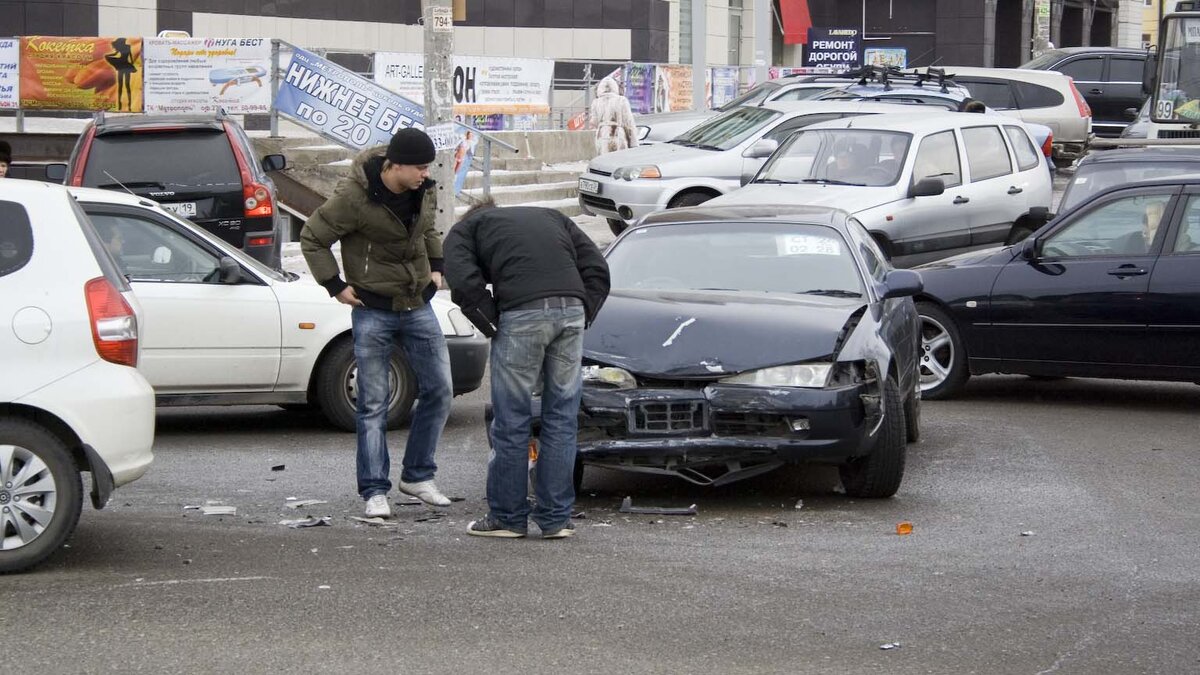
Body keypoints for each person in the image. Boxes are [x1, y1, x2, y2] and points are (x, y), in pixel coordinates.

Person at [300, 128, 454, 518]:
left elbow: (429, 229)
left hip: (417, 303)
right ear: (395, 165)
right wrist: (334, 285)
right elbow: (312, 237)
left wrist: (437, 268)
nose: (425, 173)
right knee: (372, 403)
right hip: (372, 309)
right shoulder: (353, 197)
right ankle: (374, 490)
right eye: (419, 167)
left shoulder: (424, 189)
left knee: (439, 390)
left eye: (427, 167)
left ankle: (418, 476)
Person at [444, 199, 610, 539]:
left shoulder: (466, 229)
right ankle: (555, 519)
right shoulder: (552, 217)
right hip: (571, 310)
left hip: (521, 313)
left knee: (512, 418)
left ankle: (507, 518)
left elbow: (461, 281)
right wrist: (583, 311)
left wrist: (492, 321)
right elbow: (597, 269)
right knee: (562, 418)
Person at [590, 76, 638, 155]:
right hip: (618, 134)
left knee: (603, 161)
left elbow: (594, 122)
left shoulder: (595, 102)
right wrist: (634, 143)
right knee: (618, 161)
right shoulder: (622, 100)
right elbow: (629, 123)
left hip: (601, 135)